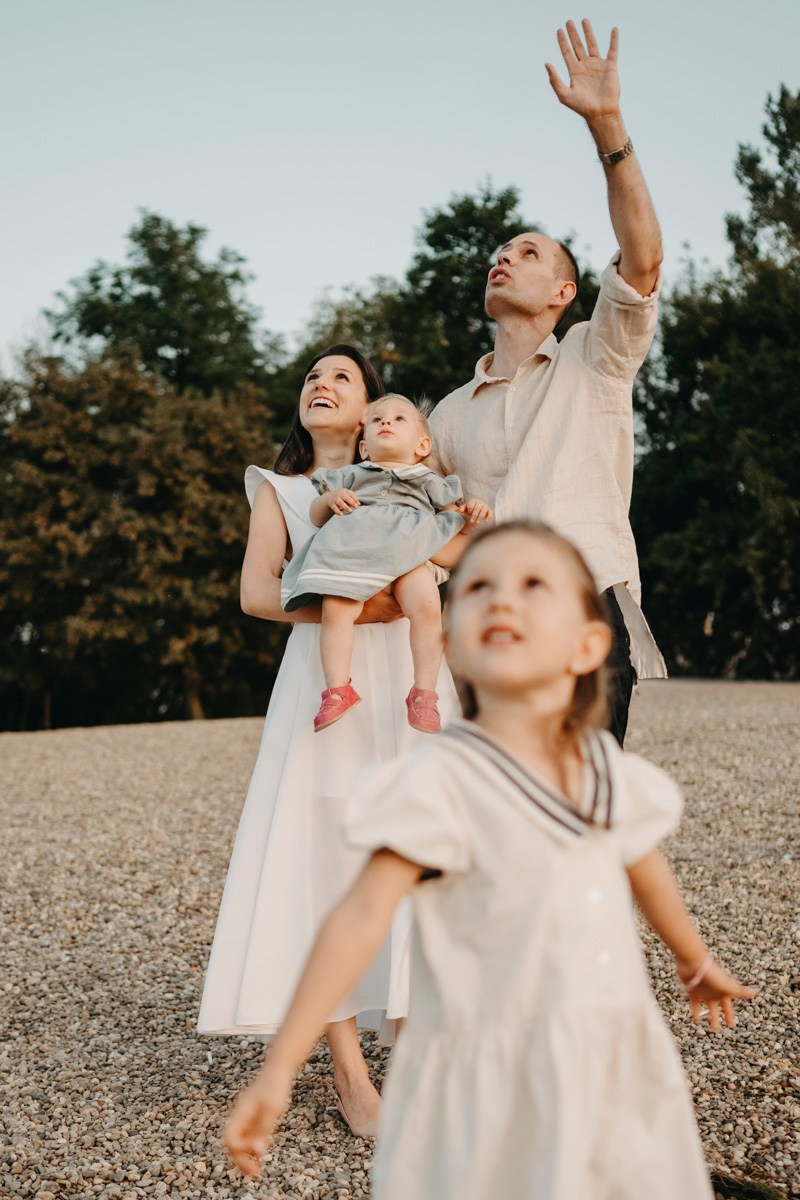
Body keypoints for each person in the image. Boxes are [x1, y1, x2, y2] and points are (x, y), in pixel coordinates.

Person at [223, 520, 756, 1200]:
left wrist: (693, 958)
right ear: (447, 642)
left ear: (589, 644)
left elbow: (643, 864)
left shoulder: (599, 766)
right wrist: (277, 1071)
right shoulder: (434, 780)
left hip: (602, 1045)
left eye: (534, 585)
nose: (502, 599)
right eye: (476, 586)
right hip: (477, 1071)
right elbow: (356, 921)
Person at [197, 346, 460, 1139]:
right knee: (326, 854)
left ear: (380, 410)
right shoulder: (281, 489)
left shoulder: (414, 479)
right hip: (326, 681)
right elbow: (255, 593)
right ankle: (348, 1070)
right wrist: (363, 608)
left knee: (424, 850)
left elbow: (459, 556)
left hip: (412, 683)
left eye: (342, 377)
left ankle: (417, 1039)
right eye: (313, 375)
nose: (322, 383)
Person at [429, 19, 667, 745]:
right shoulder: (444, 417)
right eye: (499, 252)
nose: (503, 257)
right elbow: (418, 526)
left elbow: (644, 260)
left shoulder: (594, 358)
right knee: (499, 822)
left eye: (527, 252)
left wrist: (608, 126)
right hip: (484, 628)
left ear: (565, 292)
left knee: (585, 805)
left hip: (583, 605)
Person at [280, 393, 491, 733]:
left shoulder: (432, 483)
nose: (386, 422)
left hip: (408, 558)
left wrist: (473, 519)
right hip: (355, 556)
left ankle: (424, 691)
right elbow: (316, 515)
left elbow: (453, 529)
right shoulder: (349, 475)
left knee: (426, 606)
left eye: (399, 418)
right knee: (335, 607)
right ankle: (337, 689)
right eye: (377, 420)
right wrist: (331, 499)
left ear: (422, 446)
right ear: (364, 448)